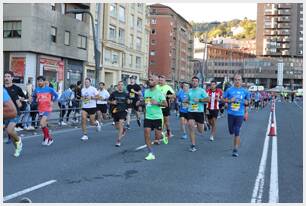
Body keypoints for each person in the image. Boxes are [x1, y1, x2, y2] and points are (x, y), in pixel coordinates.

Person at [223, 74, 250, 157]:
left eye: (239, 79)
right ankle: (236, 139)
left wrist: (247, 104)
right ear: (233, 81)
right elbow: (222, 100)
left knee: (237, 131)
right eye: (235, 79)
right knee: (231, 131)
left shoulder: (245, 91)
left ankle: (235, 149)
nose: (237, 81)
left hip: (240, 114)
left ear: (241, 81)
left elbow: (248, 102)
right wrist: (230, 101)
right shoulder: (229, 90)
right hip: (231, 113)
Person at [143, 75, 167, 160]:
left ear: (156, 82)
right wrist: (140, 102)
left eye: (152, 80)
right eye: (149, 79)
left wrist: (157, 103)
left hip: (157, 117)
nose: (150, 81)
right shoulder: (146, 92)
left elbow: (165, 104)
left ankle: (162, 134)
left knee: (158, 136)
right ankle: (150, 153)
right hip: (148, 116)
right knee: (146, 134)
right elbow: (145, 101)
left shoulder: (160, 92)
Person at [4, 71, 26, 157]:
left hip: (15, 112)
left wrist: (20, 100)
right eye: (5, 76)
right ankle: (17, 148)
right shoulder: (2, 88)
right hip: (5, 113)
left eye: (8, 76)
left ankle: (19, 140)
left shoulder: (17, 88)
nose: (6, 78)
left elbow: (25, 97)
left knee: (9, 130)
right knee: (11, 133)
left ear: (12, 78)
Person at [32, 76, 58, 146]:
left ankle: (47, 138)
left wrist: (52, 101)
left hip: (47, 109)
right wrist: (34, 100)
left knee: (41, 123)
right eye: (38, 81)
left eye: (40, 81)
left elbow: (56, 96)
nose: (39, 82)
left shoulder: (50, 89)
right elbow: (33, 97)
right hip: (40, 108)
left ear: (44, 82)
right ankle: (49, 138)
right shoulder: (36, 89)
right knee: (44, 124)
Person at [185, 76, 209, 152]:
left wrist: (199, 100)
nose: (194, 82)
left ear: (198, 83)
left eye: (196, 81)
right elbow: (188, 100)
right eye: (193, 81)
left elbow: (208, 99)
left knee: (200, 131)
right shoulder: (189, 91)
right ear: (191, 82)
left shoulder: (201, 91)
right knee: (191, 126)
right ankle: (193, 145)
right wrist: (185, 101)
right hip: (190, 111)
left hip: (199, 112)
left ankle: (204, 124)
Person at [108, 81, 131, 147]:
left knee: (121, 123)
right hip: (115, 111)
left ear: (123, 86)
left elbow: (129, 102)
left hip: (123, 111)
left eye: (121, 85)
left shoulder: (126, 94)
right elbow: (108, 101)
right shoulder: (113, 93)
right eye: (119, 85)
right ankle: (123, 130)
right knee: (117, 126)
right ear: (117, 86)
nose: (120, 86)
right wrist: (112, 102)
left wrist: (129, 102)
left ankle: (118, 140)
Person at [157, 75, 176, 140]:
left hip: (165, 106)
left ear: (164, 80)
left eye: (161, 80)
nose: (160, 81)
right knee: (159, 121)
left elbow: (174, 95)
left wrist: (167, 95)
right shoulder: (156, 87)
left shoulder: (167, 87)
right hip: (158, 107)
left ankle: (169, 132)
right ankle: (160, 133)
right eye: (159, 80)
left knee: (166, 122)